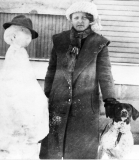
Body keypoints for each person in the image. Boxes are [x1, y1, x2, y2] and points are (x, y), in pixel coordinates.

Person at [39, 1, 118, 159]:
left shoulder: (99, 43)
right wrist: (46, 92)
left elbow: (105, 73)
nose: (80, 21)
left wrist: (110, 99)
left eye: (84, 17)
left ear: (90, 20)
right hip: (58, 100)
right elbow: (51, 69)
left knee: (81, 150)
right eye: (76, 17)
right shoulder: (60, 40)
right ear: (71, 19)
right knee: (54, 148)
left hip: (85, 104)